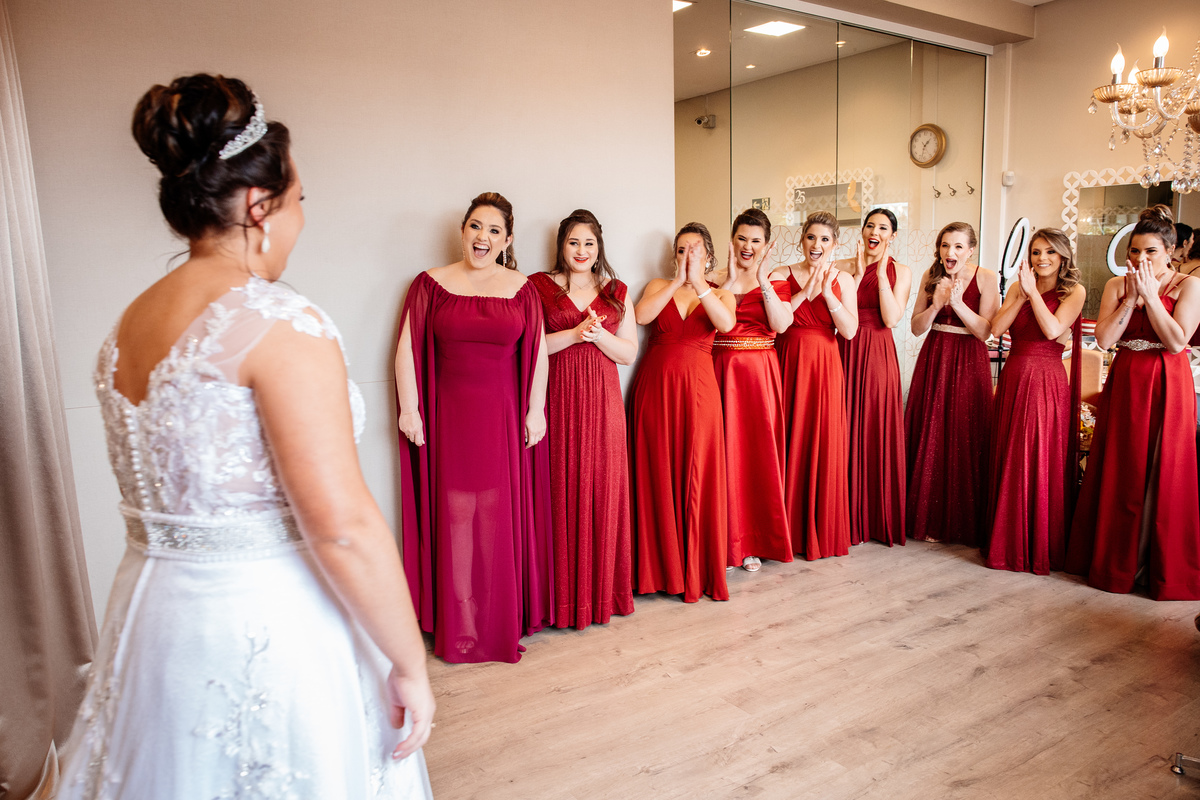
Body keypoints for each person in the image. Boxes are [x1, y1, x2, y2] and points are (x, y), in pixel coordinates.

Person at [57, 74, 434, 798]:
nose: (299, 220)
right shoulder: (280, 325)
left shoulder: (125, 328)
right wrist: (409, 661)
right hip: (264, 627)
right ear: (260, 208)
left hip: (150, 620)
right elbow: (343, 525)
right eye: (299, 203)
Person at [395, 192, 553, 663]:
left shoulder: (522, 288)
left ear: (506, 241)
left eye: (493, 231)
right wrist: (410, 409)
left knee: (495, 517)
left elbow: (539, 351)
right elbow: (406, 347)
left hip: (502, 419)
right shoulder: (430, 283)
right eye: (475, 227)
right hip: (449, 418)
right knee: (457, 517)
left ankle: (496, 618)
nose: (482, 237)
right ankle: (461, 622)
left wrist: (535, 410)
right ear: (463, 230)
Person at [1067, 205, 1200, 600]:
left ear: (1171, 251)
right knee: (1121, 466)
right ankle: (1115, 563)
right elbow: (1105, 340)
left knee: (1164, 468)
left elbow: (1178, 341)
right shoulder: (1114, 286)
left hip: (1167, 380)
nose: (1141, 260)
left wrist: (1152, 298)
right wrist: (1130, 299)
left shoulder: (1190, 286)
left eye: (1151, 252)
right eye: (1135, 252)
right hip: (1126, 377)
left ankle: (1159, 569)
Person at [529, 210, 637, 629]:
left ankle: (599, 597)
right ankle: (561, 601)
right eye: (574, 242)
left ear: (599, 248)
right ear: (561, 245)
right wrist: (574, 335)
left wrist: (599, 335)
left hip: (604, 402)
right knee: (558, 488)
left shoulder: (615, 291)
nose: (581, 251)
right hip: (556, 398)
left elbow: (628, 354)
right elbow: (531, 344)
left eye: (589, 243)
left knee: (601, 487)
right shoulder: (538, 286)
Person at [630, 222, 737, 602]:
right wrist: (678, 281)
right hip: (655, 390)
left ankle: (694, 567)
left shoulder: (722, 295)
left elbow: (725, 325)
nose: (687, 255)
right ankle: (658, 570)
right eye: (680, 249)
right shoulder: (658, 286)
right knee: (656, 470)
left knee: (697, 472)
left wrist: (700, 284)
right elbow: (642, 317)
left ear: (708, 255)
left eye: (694, 249)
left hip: (700, 393)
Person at [985, 228, 1085, 574]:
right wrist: (1019, 297)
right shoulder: (1018, 288)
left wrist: (1034, 296)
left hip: (1046, 380)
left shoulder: (1074, 291)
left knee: (1035, 455)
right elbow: (996, 329)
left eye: (1050, 253)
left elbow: (1053, 329)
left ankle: (1037, 544)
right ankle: (1006, 540)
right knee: (1011, 451)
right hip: (1013, 376)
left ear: (1062, 258)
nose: (1042, 259)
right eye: (1037, 252)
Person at [905, 222, 999, 546]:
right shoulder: (930, 277)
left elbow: (987, 331)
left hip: (969, 361)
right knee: (931, 435)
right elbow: (917, 328)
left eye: (958, 246)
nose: (950, 252)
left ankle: (963, 523)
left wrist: (957, 303)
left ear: (971, 250)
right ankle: (928, 517)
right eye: (946, 246)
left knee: (964, 434)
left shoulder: (987, 278)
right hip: (934, 357)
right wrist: (936, 303)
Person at [712, 209, 793, 572]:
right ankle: (724, 540)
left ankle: (753, 541)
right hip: (719, 370)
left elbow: (780, 324)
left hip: (760, 374)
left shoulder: (775, 281)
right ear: (732, 239)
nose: (747, 246)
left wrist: (760, 278)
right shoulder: (715, 280)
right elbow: (704, 321)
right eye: (742, 238)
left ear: (766, 245)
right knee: (723, 455)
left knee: (756, 456)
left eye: (755, 240)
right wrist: (729, 281)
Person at [776, 210, 858, 560]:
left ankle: (819, 529)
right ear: (801, 239)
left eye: (825, 239)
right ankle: (783, 529)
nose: (817, 245)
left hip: (825, 365)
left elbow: (850, 331)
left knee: (822, 439)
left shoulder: (845, 280)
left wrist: (828, 295)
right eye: (811, 237)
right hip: (787, 359)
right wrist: (806, 289)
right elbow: (776, 323)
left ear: (835, 244)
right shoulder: (781, 274)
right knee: (786, 438)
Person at [837, 209, 912, 547]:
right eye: (870, 225)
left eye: (883, 228)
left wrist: (880, 274)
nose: (875, 232)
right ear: (862, 230)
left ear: (892, 235)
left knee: (872, 425)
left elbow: (892, 318)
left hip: (878, 352)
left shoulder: (902, 272)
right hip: (842, 348)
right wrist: (856, 273)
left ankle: (872, 517)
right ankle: (840, 513)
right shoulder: (841, 265)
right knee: (842, 426)